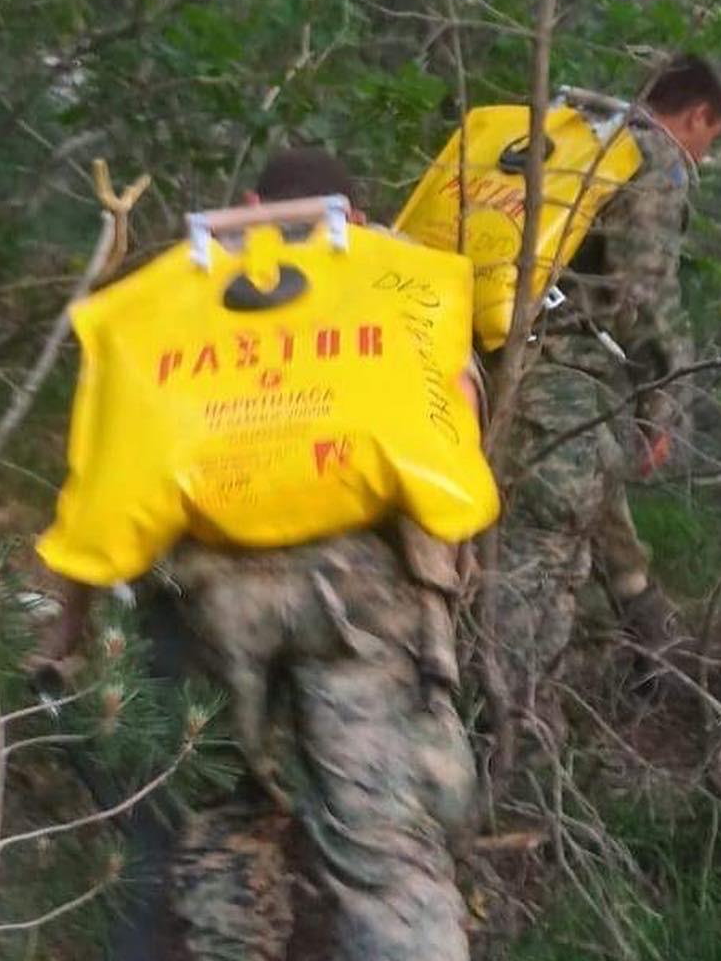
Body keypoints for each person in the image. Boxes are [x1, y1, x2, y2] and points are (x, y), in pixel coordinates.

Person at [35, 146, 488, 961]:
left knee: (222, 828)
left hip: (206, 607)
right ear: (353, 220)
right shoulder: (395, 285)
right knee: (385, 858)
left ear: (249, 203)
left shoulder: (167, 296)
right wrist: (441, 603)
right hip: (357, 599)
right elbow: (454, 454)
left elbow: (97, 485)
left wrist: (61, 644)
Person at [493, 53, 721, 724]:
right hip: (556, 372)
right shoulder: (649, 155)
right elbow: (642, 297)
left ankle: (644, 645)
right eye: (709, 140)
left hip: (479, 352)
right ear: (698, 116)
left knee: (579, 507)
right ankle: (516, 728)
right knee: (541, 551)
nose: (703, 156)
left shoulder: (565, 142)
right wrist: (669, 398)